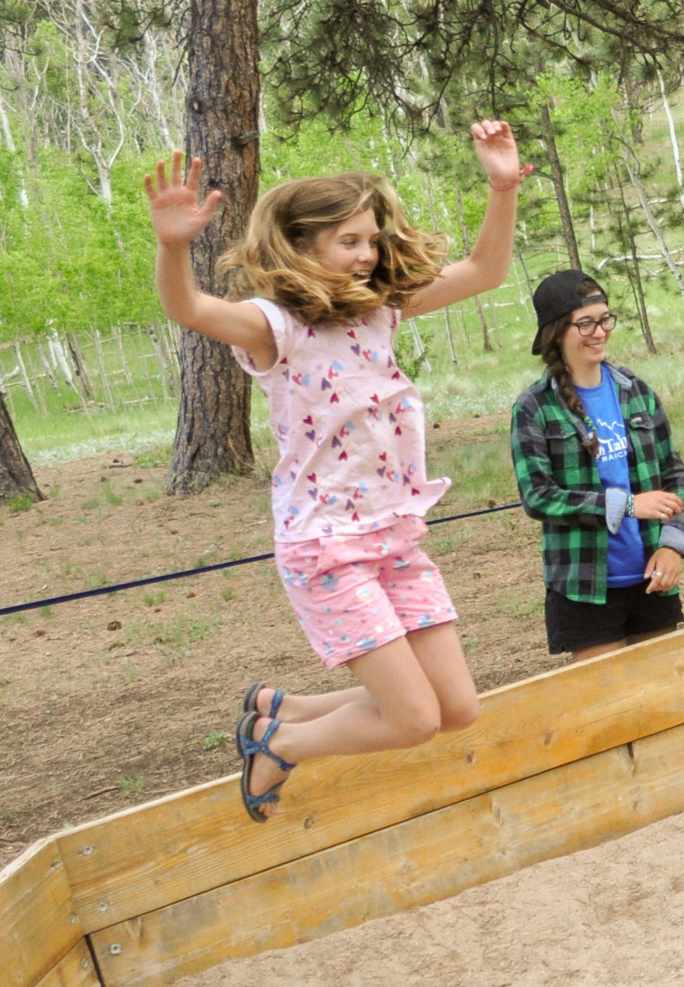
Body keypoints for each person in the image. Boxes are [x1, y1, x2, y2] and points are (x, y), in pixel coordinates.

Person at [143, 122, 527, 822]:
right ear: (302, 244)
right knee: (412, 718)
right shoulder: (275, 326)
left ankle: (286, 710)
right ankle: (280, 742)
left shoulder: (378, 309)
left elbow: (485, 271)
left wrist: (502, 188)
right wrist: (174, 247)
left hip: (394, 537)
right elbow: (188, 308)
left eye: (372, 240)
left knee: (456, 709)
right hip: (326, 547)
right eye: (350, 241)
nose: (367, 254)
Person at [512, 270, 684, 661]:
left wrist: (672, 546)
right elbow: (538, 497)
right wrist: (626, 505)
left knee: (663, 688)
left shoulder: (636, 391)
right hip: (585, 586)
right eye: (585, 323)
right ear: (556, 332)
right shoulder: (534, 407)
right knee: (609, 695)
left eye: (604, 320)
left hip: (651, 577)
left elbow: (674, 474)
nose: (599, 332)